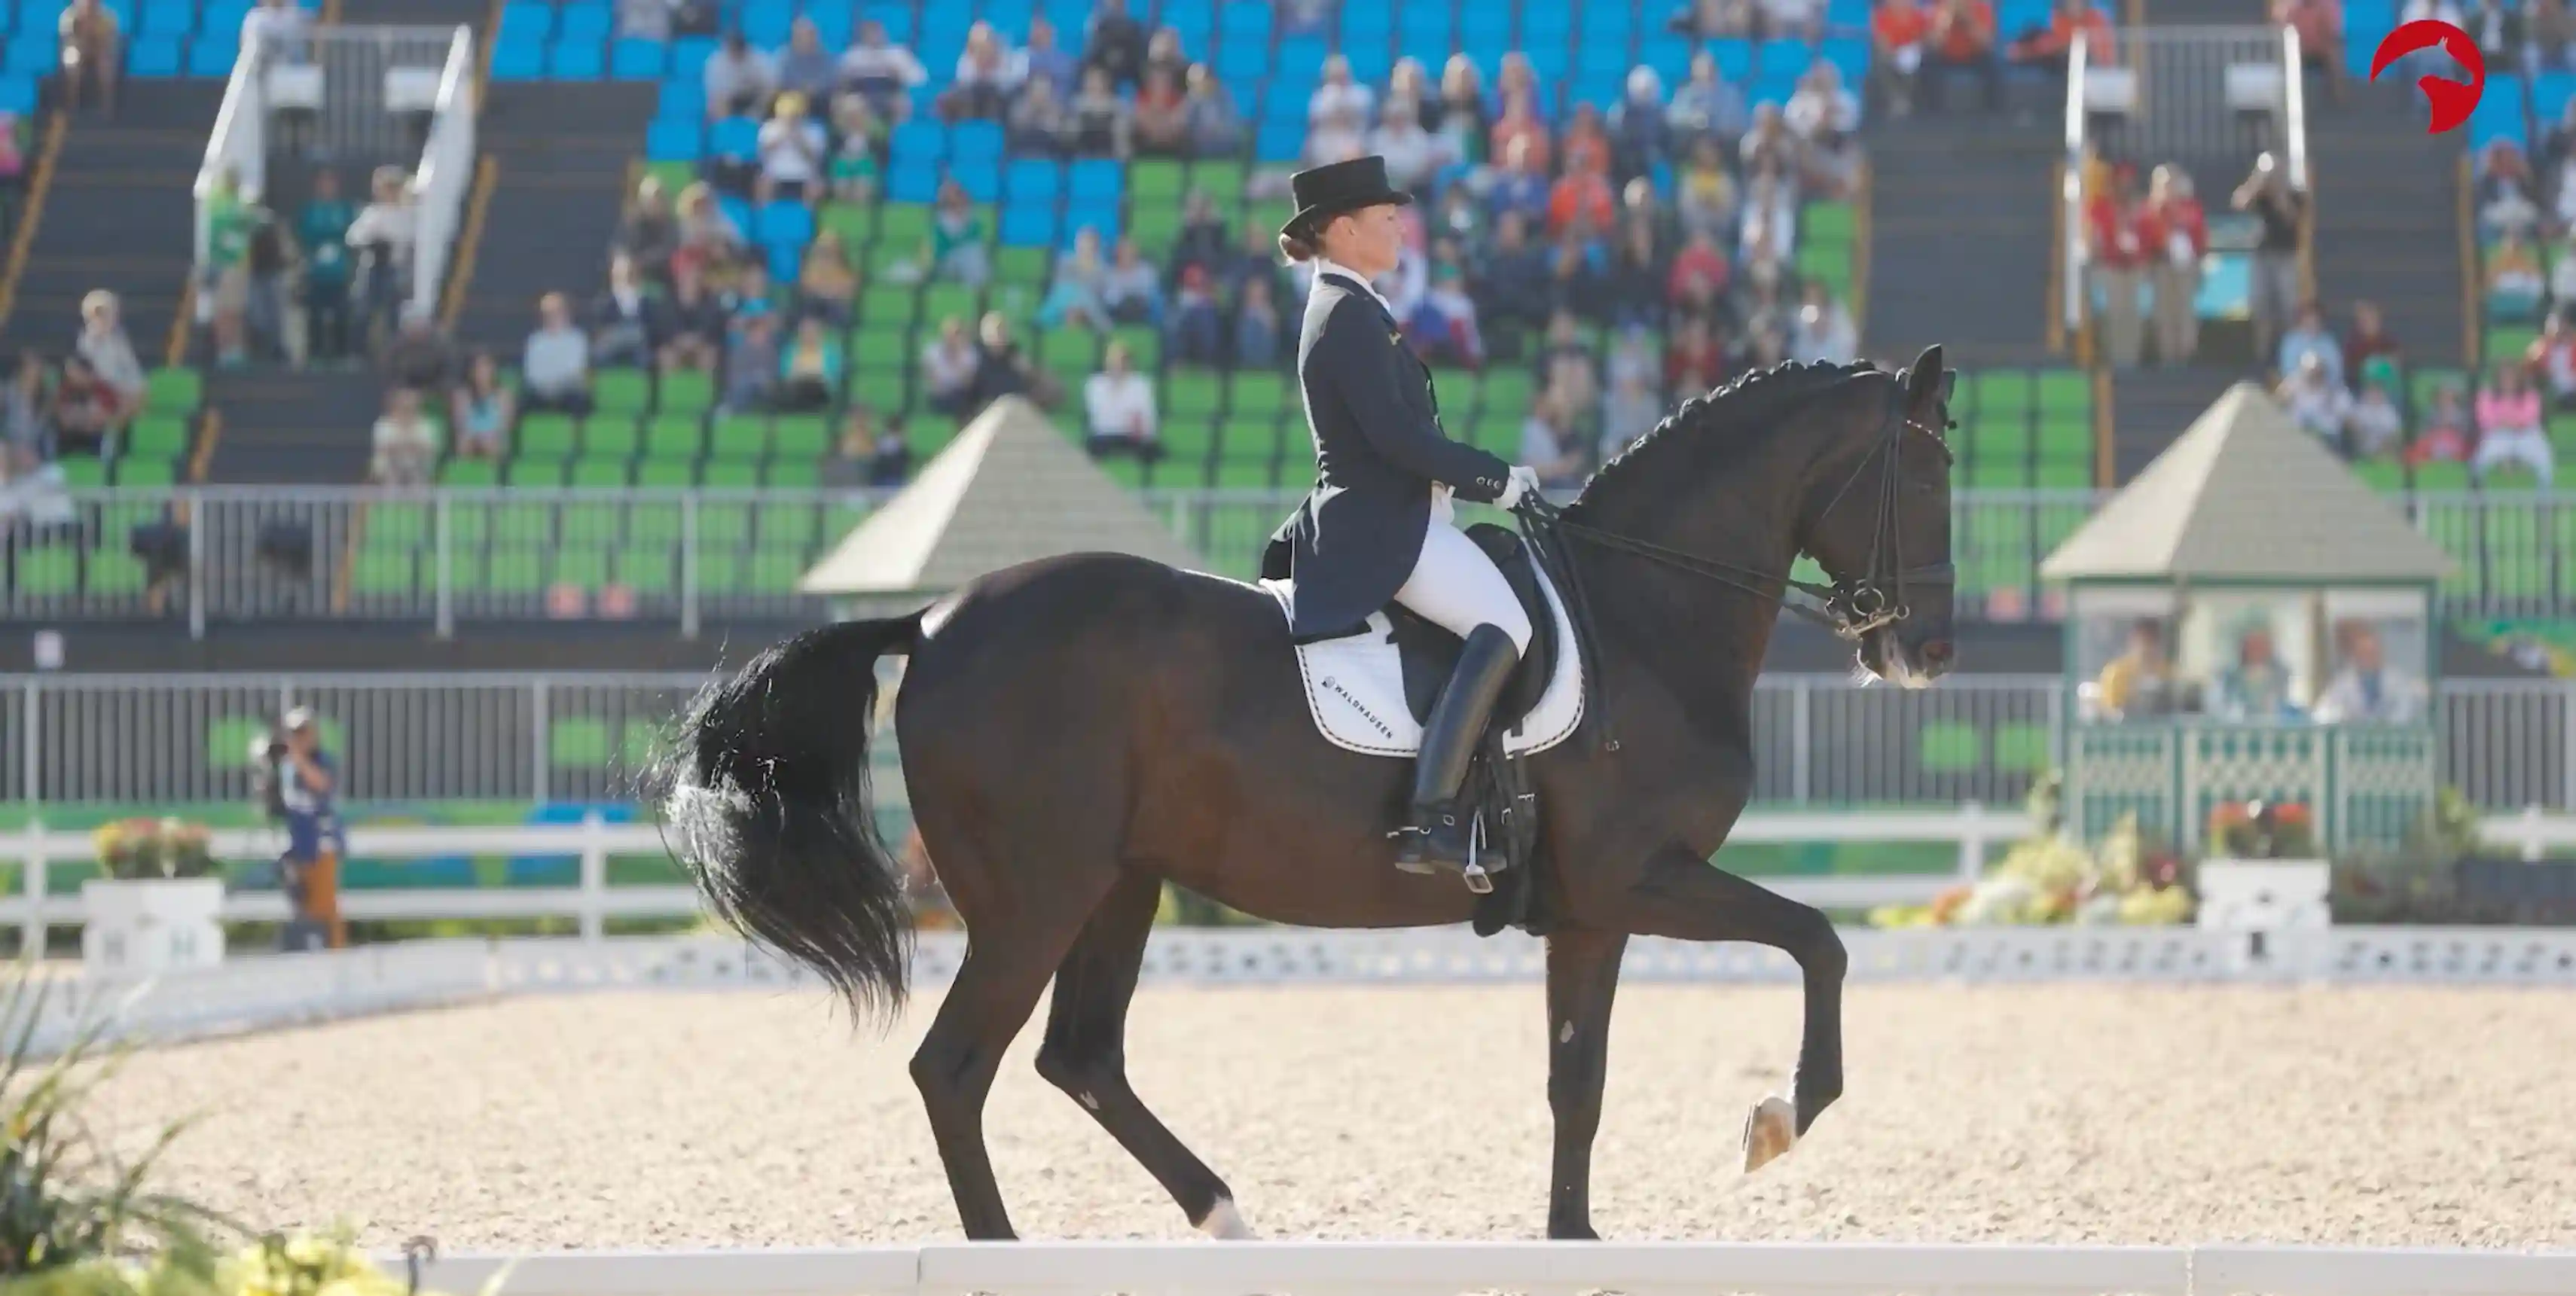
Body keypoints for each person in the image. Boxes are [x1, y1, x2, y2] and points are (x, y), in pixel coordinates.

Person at [1256, 155, 1543, 882]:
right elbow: (1398, 438)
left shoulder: (1356, 306)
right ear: (1345, 230)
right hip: (1382, 524)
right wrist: (1495, 480)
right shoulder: (1344, 313)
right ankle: (1436, 815)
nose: (1400, 227)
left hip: (1402, 514)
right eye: (1387, 218)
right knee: (1508, 625)